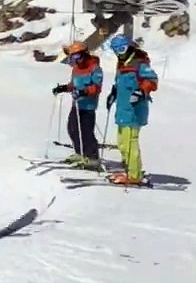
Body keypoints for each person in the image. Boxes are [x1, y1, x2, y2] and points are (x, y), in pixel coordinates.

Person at [105, 34, 159, 185]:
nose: (119, 53)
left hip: (135, 109)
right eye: (116, 50)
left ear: (128, 47)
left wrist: (141, 91)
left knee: (130, 142)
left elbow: (152, 80)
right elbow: (120, 83)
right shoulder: (122, 64)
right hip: (123, 109)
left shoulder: (139, 63)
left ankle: (134, 175)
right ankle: (129, 169)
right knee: (122, 142)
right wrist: (114, 93)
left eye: (122, 49)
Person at [51, 41, 103, 169]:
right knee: (72, 129)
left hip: (88, 106)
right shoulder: (76, 69)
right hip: (77, 104)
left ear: (84, 54)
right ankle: (80, 153)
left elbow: (96, 87)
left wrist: (84, 91)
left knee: (86, 132)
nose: (75, 60)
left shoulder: (94, 68)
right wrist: (64, 88)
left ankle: (92, 157)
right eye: (72, 57)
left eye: (77, 56)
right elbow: (74, 84)